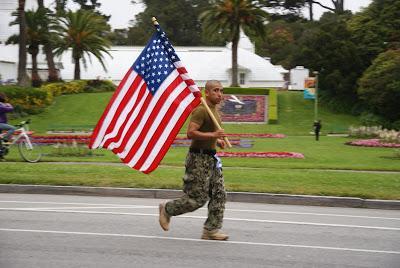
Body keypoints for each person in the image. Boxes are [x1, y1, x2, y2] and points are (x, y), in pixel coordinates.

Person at [158, 80, 228, 241]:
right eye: (216, 90)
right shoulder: (201, 110)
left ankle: (211, 230)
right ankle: (167, 209)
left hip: (211, 158)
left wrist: (217, 141)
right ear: (207, 92)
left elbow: (209, 133)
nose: (219, 94)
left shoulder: (214, 111)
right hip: (198, 159)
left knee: (219, 194)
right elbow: (190, 133)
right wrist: (213, 136)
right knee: (197, 199)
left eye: (221, 90)